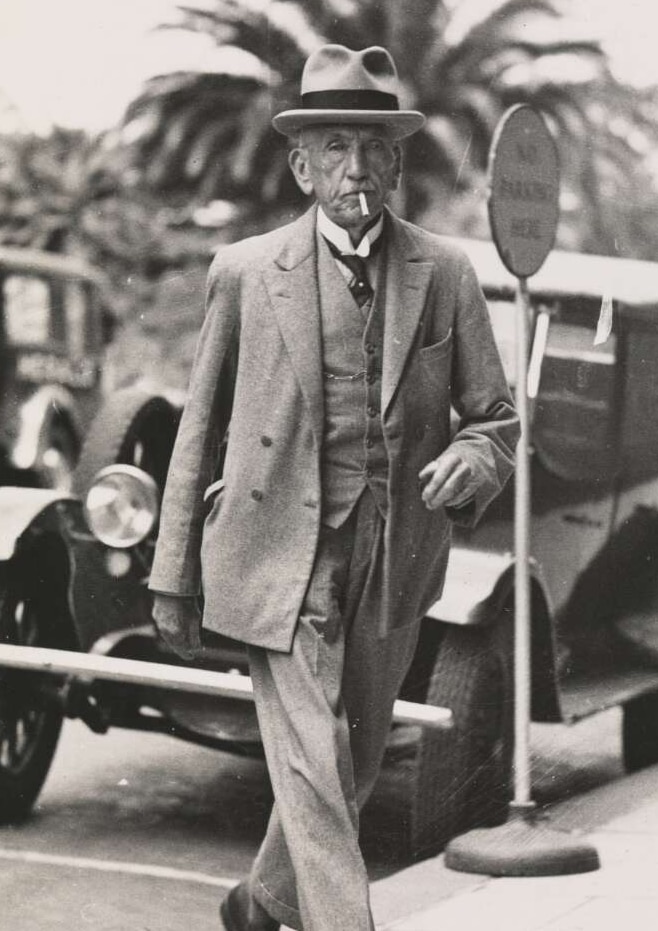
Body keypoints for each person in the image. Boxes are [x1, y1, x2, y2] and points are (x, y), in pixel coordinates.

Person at [149, 43, 519, 931]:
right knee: (317, 762)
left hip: (391, 557)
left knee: (348, 763)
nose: (357, 169)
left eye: (373, 148)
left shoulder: (448, 274)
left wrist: (474, 460)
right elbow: (197, 429)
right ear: (301, 165)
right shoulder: (242, 272)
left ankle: (260, 902)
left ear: (396, 161)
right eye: (335, 148)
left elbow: (496, 418)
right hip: (275, 556)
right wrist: (172, 573)